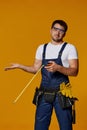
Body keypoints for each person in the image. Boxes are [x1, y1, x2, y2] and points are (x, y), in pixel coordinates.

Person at [5, 20, 79, 130]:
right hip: (44, 94)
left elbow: (75, 71)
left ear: (64, 33)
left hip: (62, 94)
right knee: (40, 127)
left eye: (61, 31)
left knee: (66, 127)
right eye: (55, 29)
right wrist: (20, 66)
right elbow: (35, 69)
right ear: (51, 30)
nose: (57, 32)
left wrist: (58, 68)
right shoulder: (42, 48)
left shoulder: (69, 48)